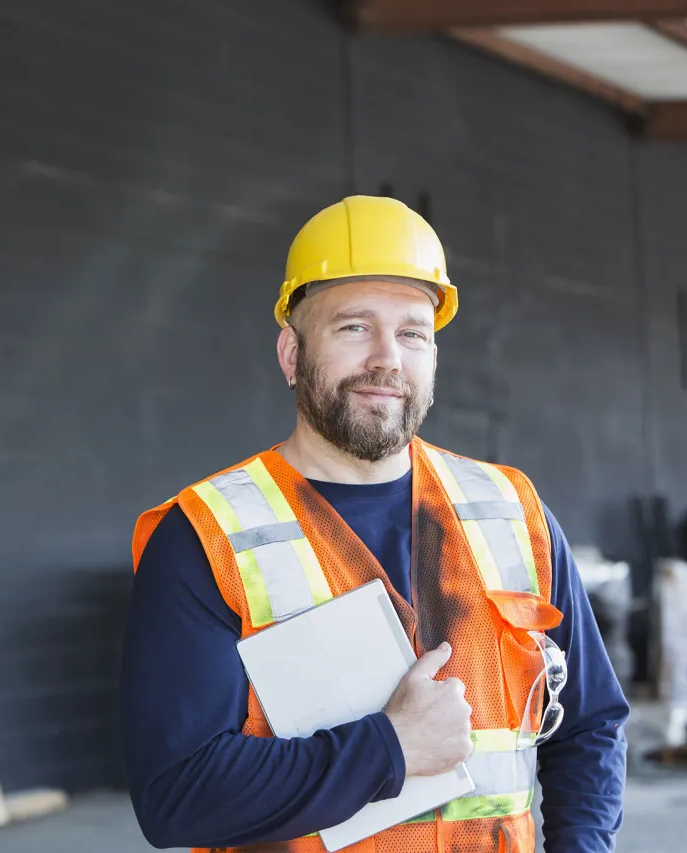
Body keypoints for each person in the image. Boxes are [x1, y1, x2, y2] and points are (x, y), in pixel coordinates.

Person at [120, 196, 628, 853]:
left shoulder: (512, 511)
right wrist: (389, 746)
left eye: (413, 331)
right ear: (291, 354)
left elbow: (589, 725)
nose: (387, 358)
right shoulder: (206, 536)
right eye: (354, 327)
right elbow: (176, 796)